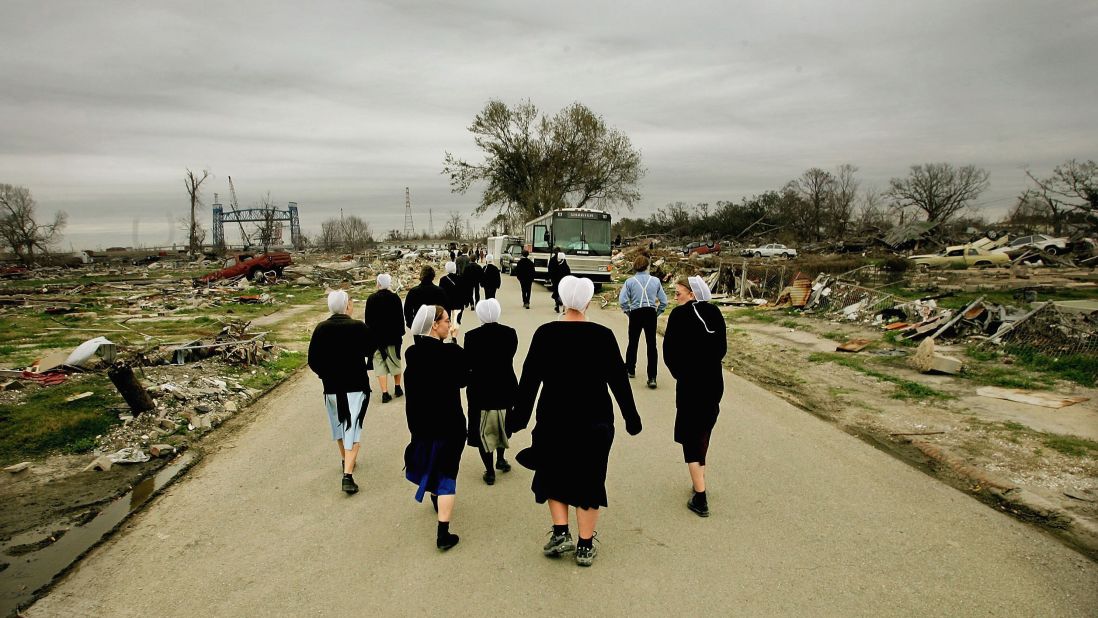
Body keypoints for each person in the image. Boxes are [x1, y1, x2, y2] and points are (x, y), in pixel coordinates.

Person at [509, 276, 642, 567]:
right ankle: (584, 545)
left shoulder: (545, 334)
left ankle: (560, 533)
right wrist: (631, 419)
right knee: (590, 478)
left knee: (552, 472)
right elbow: (619, 382)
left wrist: (517, 419)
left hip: (553, 419)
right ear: (587, 301)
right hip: (594, 420)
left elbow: (529, 380)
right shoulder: (603, 335)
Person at [403, 304, 468, 550]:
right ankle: (443, 533)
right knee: (448, 473)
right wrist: (454, 341)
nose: (448, 324)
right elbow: (464, 377)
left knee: (432, 460)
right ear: (434, 325)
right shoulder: (448, 354)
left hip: (422, 424)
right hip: (450, 423)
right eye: (446, 321)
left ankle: (434, 496)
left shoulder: (413, 355)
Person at [663, 276, 727, 517]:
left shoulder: (679, 316)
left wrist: (681, 373)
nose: (675, 297)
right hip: (713, 381)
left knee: (689, 433)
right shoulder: (715, 313)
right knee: (703, 428)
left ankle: (700, 497)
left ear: (692, 293)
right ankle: (699, 476)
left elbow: (669, 351)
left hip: (690, 383)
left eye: (678, 293)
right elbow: (722, 349)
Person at [307, 290, 377, 495]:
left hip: (331, 387)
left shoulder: (321, 329)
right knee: (353, 427)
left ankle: (346, 459)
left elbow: (313, 361)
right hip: (356, 384)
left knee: (339, 425)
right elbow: (370, 349)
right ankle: (347, 475)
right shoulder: (358, 327)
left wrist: (325, 374)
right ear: (347, 306)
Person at [464, 299, 518, 485]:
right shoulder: (510, 334)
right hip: (505, 387)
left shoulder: (471, 337)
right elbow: (510, 355)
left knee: (483, 431)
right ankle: (500, 459)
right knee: (502, 425)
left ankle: (489, 470)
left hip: (480, 389)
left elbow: (469, 363)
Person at [618, 255, 668, 389]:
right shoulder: (656, 281)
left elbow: (622, 300)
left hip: (635, 312)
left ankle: (630, 369)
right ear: (647, 266)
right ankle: (652, 377)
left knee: (633, 342)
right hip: (650, 312)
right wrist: (657, 312)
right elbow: (664, 301)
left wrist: (628, 312)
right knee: (651, 345)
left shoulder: (630, 281)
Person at [364, 273, 405, 403]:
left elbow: (368, 321)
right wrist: (400, 334)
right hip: (393, 337)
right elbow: (400, 318)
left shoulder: (371, 299)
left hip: (377, 339)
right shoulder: (395, 298)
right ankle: (398, 387)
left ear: (378, 283)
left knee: (380, 364)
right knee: (395, 361)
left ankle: (385, 393)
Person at [439, 261, 466, 325]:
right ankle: (458, 320)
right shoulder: (461, 278)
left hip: (447, 301)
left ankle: (448, 320)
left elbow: (441, 292)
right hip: (458, 300)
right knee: (459, 310)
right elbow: (464, 290)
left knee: (447, 311)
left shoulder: (443, 279)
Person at [546, 248, 570, 313]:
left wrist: (549, 277)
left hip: (555, 279)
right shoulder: (563, 261)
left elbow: (550, 270)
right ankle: (562, 304)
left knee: (556, 291)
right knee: (562, 292)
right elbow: (567, 270)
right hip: (562, 279)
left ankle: (557, 304)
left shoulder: (552, 260)